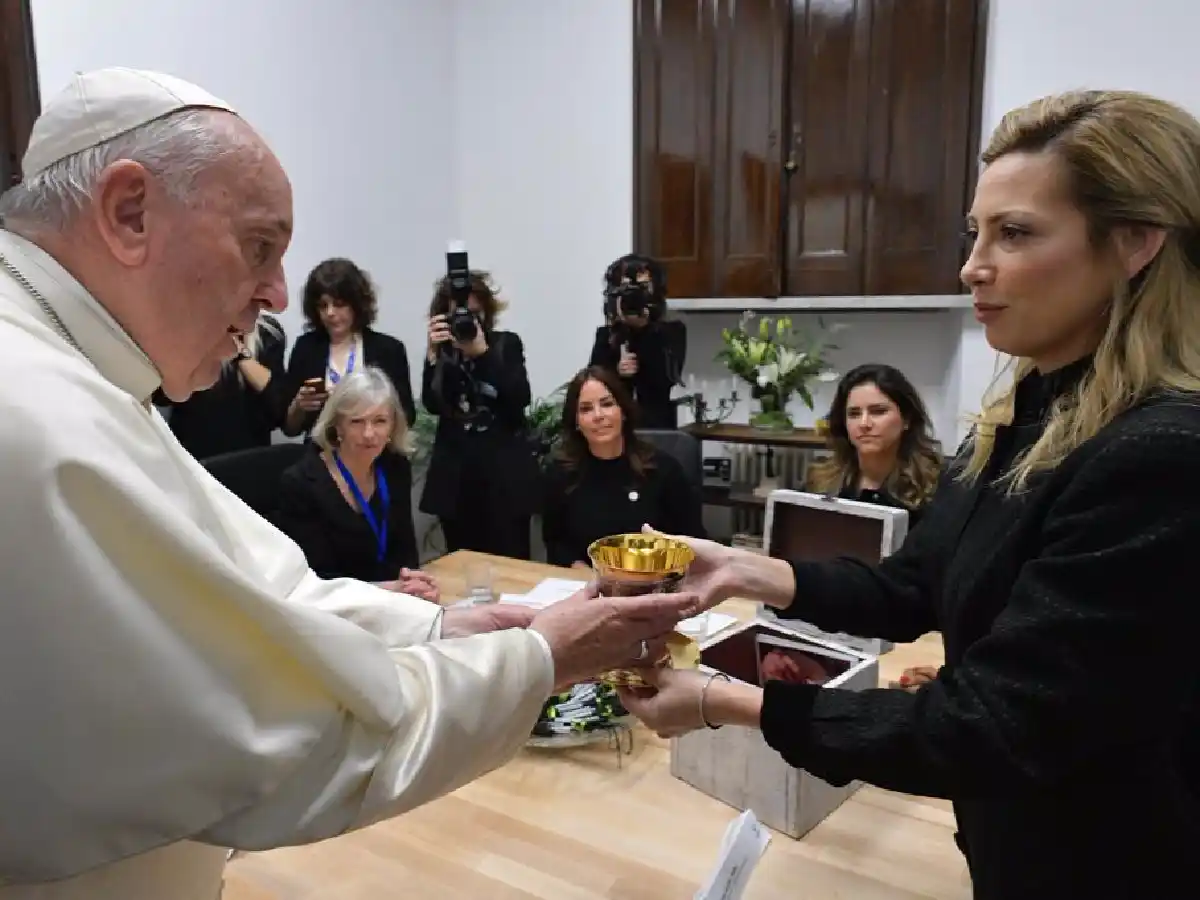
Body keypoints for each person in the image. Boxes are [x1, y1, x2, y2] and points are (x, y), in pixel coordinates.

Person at [0, 67, 699, 898]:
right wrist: (540, 658)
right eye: (260, 246)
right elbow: (281, 739)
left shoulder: (86, 375)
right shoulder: (34, 414)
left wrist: (444, 634)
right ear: (128, 212)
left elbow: (272, 594)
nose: (275, 295)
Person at [618, 89, 1200, 899]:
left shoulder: (1162, 455)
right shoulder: (1024, 414)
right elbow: (915, 582)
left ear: (1136, 242)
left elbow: (995, 724)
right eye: (974, 233)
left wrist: (728, 702)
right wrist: (748, 573)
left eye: (1016, 233)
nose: (972, 266)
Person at [274, 366, 435, 599]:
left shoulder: (395, 467)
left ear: (393, 425)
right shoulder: (300, 483)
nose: (369, 434)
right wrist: (386, 589)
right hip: (332, 610)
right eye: (357, 422)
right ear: (337, 426)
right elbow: (316, 579)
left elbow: (404, 550)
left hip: (393, 602)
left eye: (380, 421)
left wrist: (414, 583)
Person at [419, 269, 539, 559]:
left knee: (513, 567)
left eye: (474, 313)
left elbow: (518, 398)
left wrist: (483, 355)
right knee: (461, 567)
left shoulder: (505, 344)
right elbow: (434, 405)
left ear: (486, 313)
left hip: (503, 484)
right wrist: (434, 358)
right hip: (457, 483)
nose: (466, 321)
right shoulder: (444, 353)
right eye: (458, 315)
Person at [541, 366, 704, 568]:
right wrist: (578, 567)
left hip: (656, 586)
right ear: (576, 421)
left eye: (607, 404)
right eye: (586, 409)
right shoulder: (560, 474)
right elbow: (555, 540)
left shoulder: (663, 470)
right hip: (588, 587)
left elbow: (693, 542)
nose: (598, 415)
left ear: (623, 411)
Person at [282, 257, 416, 439]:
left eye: (339, 304)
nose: (330, 313)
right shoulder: (306, 348)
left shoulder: (389, 349)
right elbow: (290, 429)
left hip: (375, 452)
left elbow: (407, 417)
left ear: (357, 304)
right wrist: (299, 405)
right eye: (323, 305)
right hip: (321, 454)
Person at [808, 363, 942, 529]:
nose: (864, 424)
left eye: (878, 411)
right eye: (854, 414)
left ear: (906, 419)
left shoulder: (937, 487)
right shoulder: (820, 480)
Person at [153, 313, 289, 459]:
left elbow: (277, 408)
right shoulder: (187, 329)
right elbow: (161, 396)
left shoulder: (267, 333)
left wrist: (240, 354)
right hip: (193, 454)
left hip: (250, 456)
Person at [589, 254, 686, 430]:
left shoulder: (670, 332)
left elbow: (664, 381)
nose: (633, 296)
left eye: (641, 288)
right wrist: (617, 373)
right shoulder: (607, 335)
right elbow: (594, 385)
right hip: (612, 429)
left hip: (655, 429)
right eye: (626, 288)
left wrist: (644, 329)